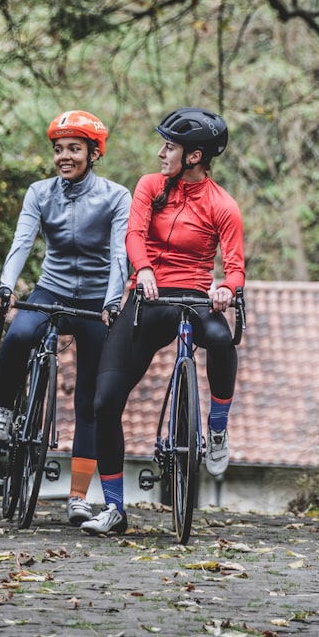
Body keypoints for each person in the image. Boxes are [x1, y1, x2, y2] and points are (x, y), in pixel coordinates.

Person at [81, 107, 245, 535]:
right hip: (148, 297)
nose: (160, 153)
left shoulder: (222, 205)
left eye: (169, 147)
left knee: (223, 343)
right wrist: (145, 269)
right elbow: (133, 234)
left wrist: (226, 288)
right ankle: (114, 509)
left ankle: (218, 429)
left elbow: (235, 264)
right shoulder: (150, 187)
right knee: (104, 402)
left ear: (193, 156)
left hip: (193, 299)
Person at [0, 110, 131, 526]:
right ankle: (3, 410)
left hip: (96, 301)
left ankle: (78, 498)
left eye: (73, 149)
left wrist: (111, 302)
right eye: (58, 149)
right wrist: (6, 286)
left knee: (89, 402)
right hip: (51, 290)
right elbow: (22, 242)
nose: (64, 156)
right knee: (18, 334)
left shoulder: (116, 196)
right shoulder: (39, 193)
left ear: (92, 153)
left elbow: (120, 255)